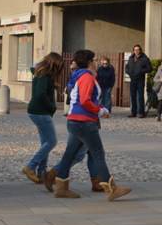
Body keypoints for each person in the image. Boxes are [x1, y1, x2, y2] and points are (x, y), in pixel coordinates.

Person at [52, 49, 131, 201]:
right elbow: (85, 100)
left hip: (75, 120)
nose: (95, 62)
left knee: (69, 154)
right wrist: (100, 110)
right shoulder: (87, 77)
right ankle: (111, 188)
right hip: (85, 121)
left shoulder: (78, 75)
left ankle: (61, 187)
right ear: (89, 62)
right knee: (98, 154)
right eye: (93, 60)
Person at [22, 53, 64, 184]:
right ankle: (30, 166)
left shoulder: (41, 73)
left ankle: (41, 173)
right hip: (41, 112)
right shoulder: (45, 75)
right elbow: (40, 94)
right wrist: (51, 106)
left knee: (45, 142)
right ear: (54, 64)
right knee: (51, 142)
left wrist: (53, 87)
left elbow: (41, 90)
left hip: (36, 111)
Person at [125, 44, 152, 118]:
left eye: (138, 49)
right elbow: (127, 67)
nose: (136, 51)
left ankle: (141, 113)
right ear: (133, 50)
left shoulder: (145, 58)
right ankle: (133, 112)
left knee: (140, 97)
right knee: (132, 96)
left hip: (140, 80)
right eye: (135, 50)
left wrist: (141, 71)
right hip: (132, 79)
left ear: (140, 50)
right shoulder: (131, 58)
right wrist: (128, 72)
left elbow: (150, 68)